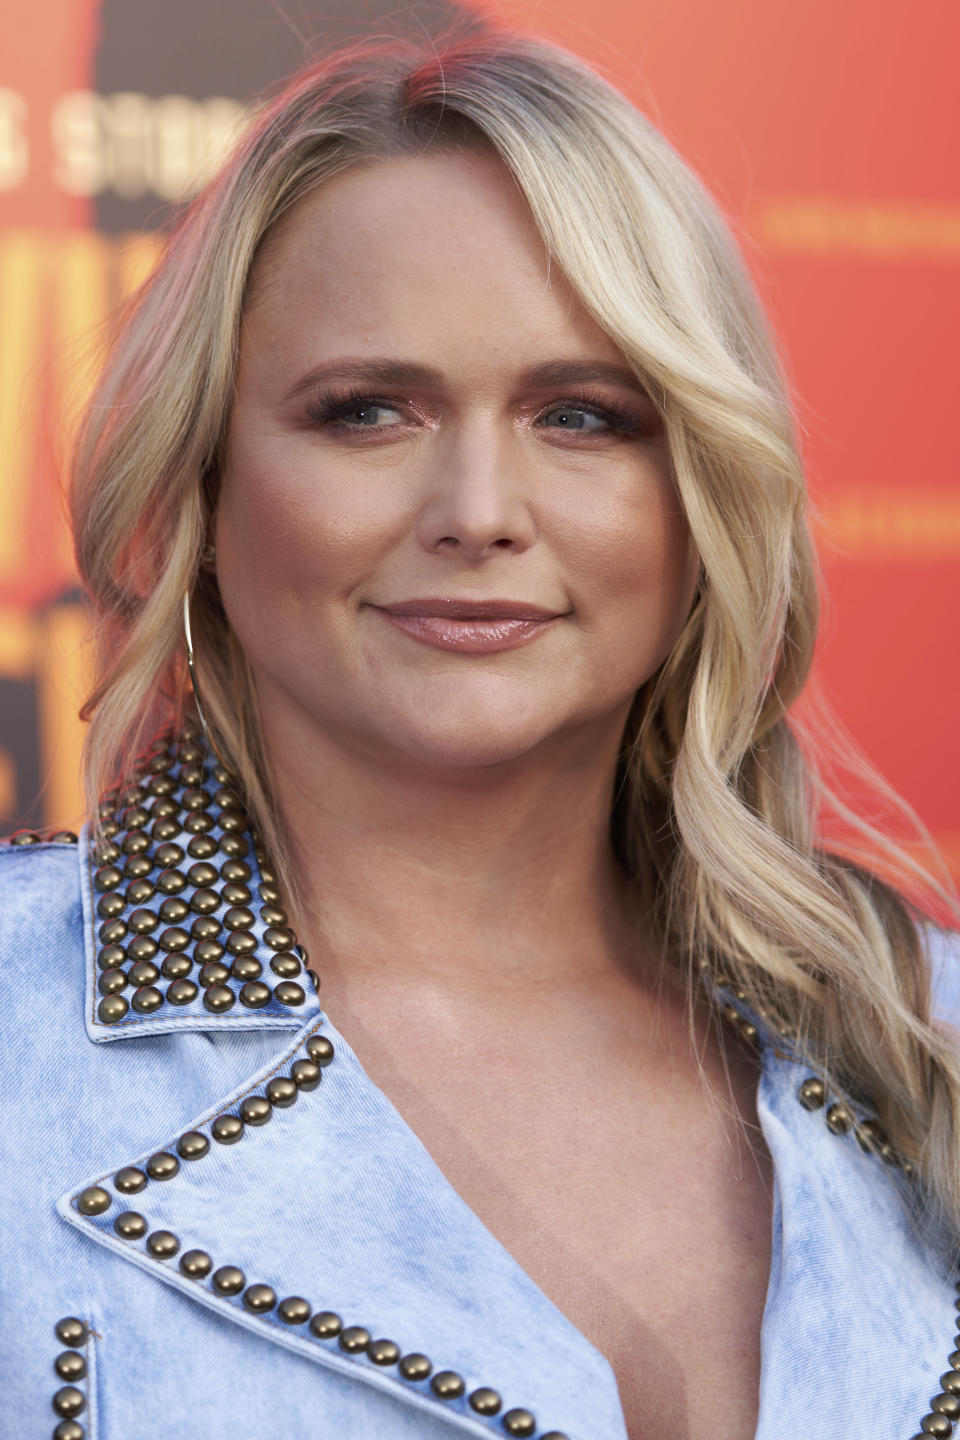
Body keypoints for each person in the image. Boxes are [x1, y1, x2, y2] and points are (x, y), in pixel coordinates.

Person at [2, 25, 958, 1440]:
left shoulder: (922, 1026)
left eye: (583, 415)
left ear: (702, 495)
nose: (479, 508)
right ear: (204, 484)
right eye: (367, 412)